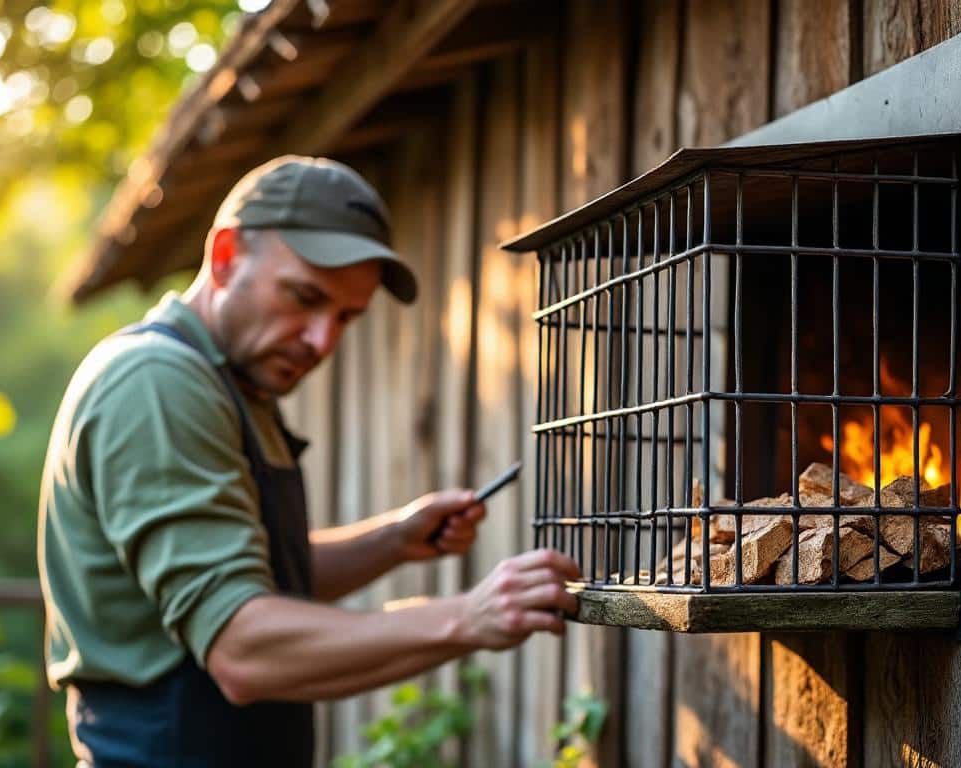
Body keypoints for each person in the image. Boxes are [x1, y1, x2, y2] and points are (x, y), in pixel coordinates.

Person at [37, 155, 580, 767]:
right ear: (225, 257)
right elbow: (241, 648)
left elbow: (254, 572)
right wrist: (467, 616)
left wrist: (395, 539)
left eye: (346, 316)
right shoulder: (156, 382)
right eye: (304, 297)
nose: (323, 341)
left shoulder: (235, 388)